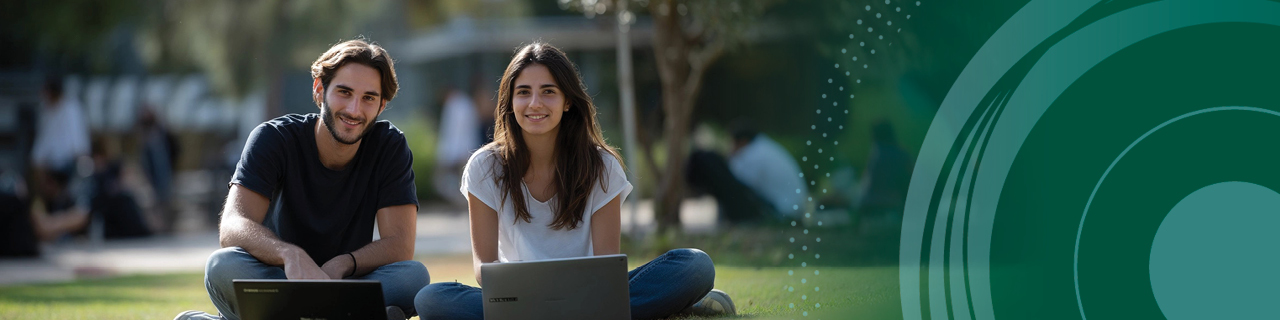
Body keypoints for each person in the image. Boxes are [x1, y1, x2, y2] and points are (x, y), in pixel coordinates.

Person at [412, 42, 735, 320]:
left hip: (590, 296)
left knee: (694, 265)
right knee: (432, 298)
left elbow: (606, 266)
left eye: (548, 92)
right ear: (510, 102)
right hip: (520, 300)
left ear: (568, 101)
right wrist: (531, 292)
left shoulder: (602, 166)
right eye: (523, 92)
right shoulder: (484, 166)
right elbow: (485, 267)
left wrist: (570, 299)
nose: (535, 103)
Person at [175, 39, 429, 320]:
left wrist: (343, 264)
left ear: (381, 106)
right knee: (222, 265)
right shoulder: (273, 138)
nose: (355, 110)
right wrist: (290, 256)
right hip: (279, 280)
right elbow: (233, 226)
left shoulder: (389, 146)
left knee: (413, 277)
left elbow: (400, 244)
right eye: (344, 92)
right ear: (319, 90)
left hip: (343, 284)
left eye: (368, 98)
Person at [686, 121, 808, 223]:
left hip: (782, 213)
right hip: (789, 210)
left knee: (710, 163)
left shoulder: (753, 154)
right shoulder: (762, 147)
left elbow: (738, 184)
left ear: (742, 141)